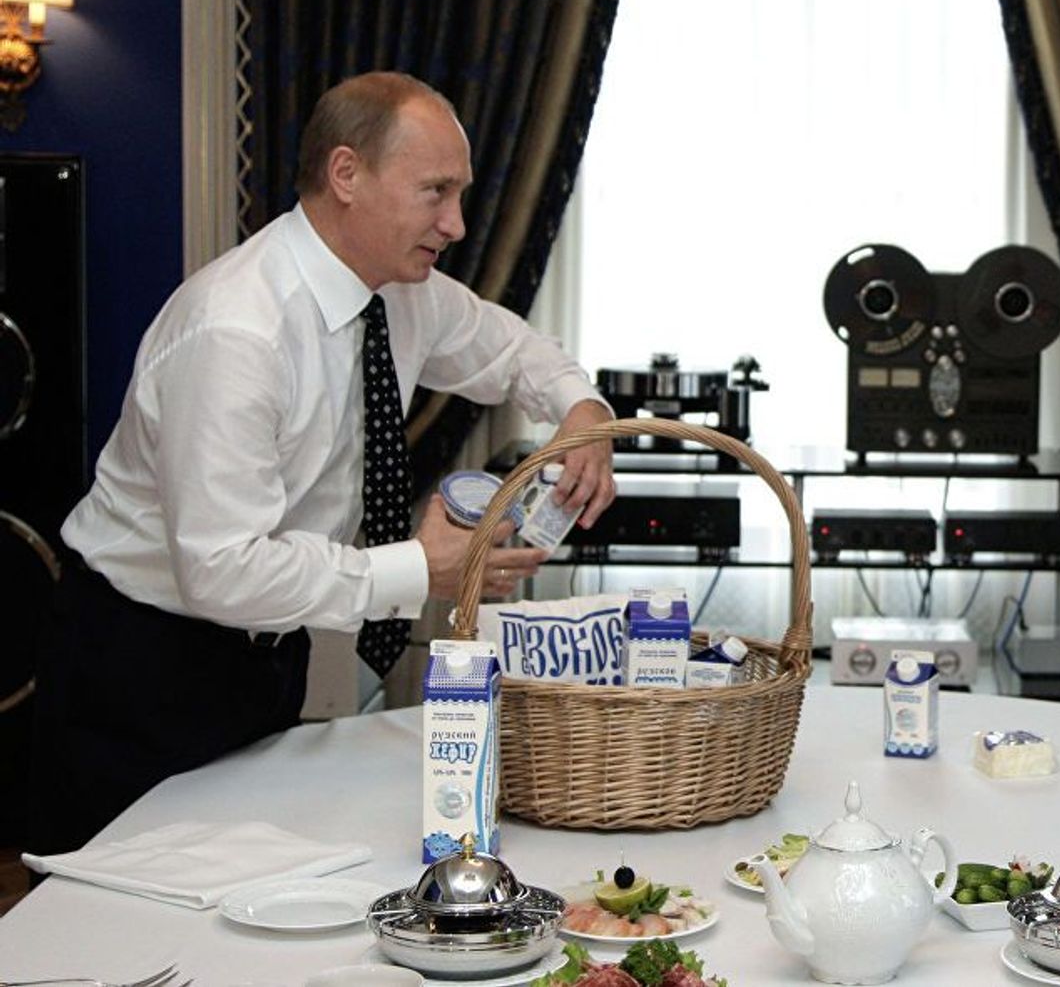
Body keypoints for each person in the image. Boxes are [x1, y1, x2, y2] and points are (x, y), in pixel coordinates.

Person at [26, 71, 618, 859]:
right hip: (141, 667)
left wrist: (584, 414)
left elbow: (515, 352)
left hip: (268, 660)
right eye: (436, 192)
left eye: (461, 194)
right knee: (111, 929)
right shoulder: (237, 331)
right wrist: (419, 569)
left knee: (245, 912)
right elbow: (222, 570)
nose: (458, 223)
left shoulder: (405, 294)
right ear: (347, 174)